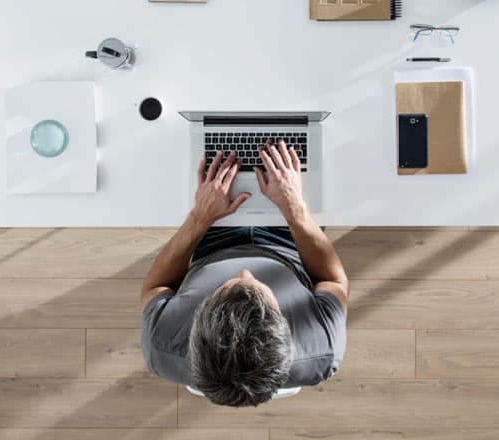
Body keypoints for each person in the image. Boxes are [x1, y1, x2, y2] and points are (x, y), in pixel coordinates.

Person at [140, 140, 349, 407]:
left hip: (209, 238)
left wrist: (200, 218)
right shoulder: (322, 348)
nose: (245, 272)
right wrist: (294, 209)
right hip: (292, 241)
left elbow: (157, 285)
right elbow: (332, 280)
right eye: (260, 286)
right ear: (286, 326)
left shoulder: (163, 346)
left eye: (225, 288)